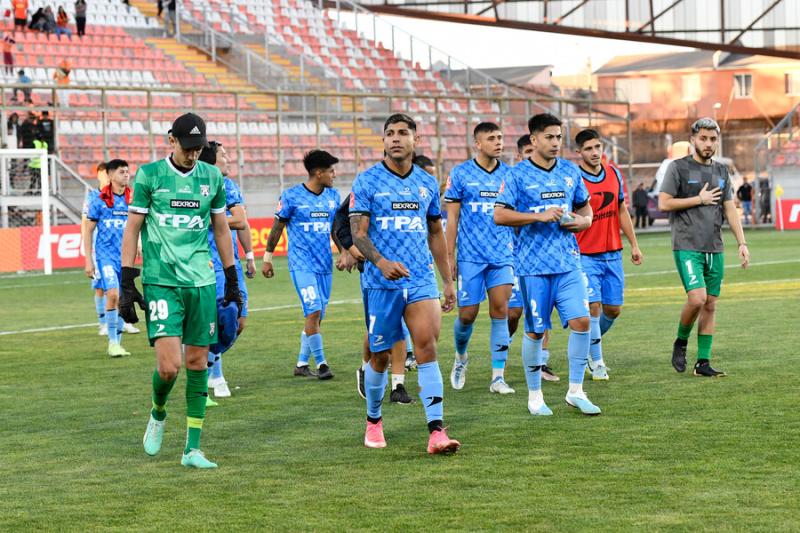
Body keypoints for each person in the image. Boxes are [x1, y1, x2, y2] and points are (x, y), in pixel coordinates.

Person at [120, 113, 242, 469]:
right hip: (161, 281)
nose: (192, 155)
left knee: (197, 362)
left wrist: (231, 278)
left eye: (198, 148)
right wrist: (128, 280)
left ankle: (192, 449)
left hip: (201, 283)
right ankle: (158, 411)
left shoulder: (212, 176)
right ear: (170, 141)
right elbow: (132, 229)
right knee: (171, 367)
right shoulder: (150, 175)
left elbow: (221, 229)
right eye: (187, 148)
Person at [349, 113, 460, 453]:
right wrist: (381, 263)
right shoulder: (366, 181)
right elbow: (358, 233)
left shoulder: (427, 183)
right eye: (390, 134)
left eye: (402, 133)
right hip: (380, 282)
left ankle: (437, 431)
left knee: (426, 347)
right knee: (380, 356)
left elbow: (435, 232)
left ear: (416, 140)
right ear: (383, 141)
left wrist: (448, 280)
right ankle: (373, 421)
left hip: (421, 278)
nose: (395, 138)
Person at [494, 113, 600, 417]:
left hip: (568, 263)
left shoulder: (569, 171)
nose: (556, 143)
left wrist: (585, 220)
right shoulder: (517, 176)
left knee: (582, 322)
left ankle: (576, 391)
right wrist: (537, 216)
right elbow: (499, 215)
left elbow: (584, 205)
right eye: (550, 137)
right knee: (536, 331)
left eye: (559, 137)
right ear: (534, 140)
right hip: (532, 267)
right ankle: (535, 396)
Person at [658, 118, 750, 377]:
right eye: (703, 139)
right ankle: (680, 341)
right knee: (697, 298)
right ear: (693, 140)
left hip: (715, 246)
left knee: (710, 304)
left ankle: (703, 363)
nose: (708, 144)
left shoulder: (721, 171)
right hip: (687, 244)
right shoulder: (678, 168)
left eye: (712, 139)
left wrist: (742, 243)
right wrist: (699, 199)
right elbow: (664, 203)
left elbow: (729, 208)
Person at [444, 122, 515, 394]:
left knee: (500, 311)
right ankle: (461, 357)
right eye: (491, 138)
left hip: (502, 256)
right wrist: (449, 257)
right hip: (470, 258)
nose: (498, 142)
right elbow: (452, 220)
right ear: (477, 143)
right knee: (467, 315)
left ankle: (498, 377)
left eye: (500, 137)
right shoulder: (460, 174)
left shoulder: (509, 175)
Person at [262, 150, 341, 380]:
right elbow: (277, 227)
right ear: (319, 173)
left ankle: (301, 364)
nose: (334, 175)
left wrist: (345, 252)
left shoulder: (333, 197)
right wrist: (267, 258)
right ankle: (323, 364)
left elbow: (335, 229)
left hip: (324, 265)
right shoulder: (291, 196)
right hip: (301, 264)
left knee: (316, 317)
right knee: (313, 309)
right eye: (331, 171)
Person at [332, 191, 415, 405]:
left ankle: (398, 385)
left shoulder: (417, 186)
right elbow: (340, 222)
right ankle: (365, 367)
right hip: (373, 270)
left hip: (407, 268)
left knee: (398, 324)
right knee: (379, 328)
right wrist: (349, 249)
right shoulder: (370, 184)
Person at [574, 129, 643, 380]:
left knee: (613, 310)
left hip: (613, 252)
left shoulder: (613, 173)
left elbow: (621, 209)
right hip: (585, 254)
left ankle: (589, 346)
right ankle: (597, 361)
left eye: (598, 147)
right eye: (589, 148)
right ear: (579, 152)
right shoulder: (573, 178)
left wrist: (634, 244)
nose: (595, 152)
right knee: (592, 307)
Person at [199, 141, 256, 399]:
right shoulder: (198, 187)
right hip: (207, 264)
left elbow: (241, 221)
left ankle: (207, 362)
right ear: (211, 160)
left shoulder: (229, 186)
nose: (229, 158)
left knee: (239, 321)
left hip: (230, 264)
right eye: (224, 155)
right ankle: (216, 375)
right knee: (217, 320)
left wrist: (251, 255)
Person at [513, 133, 559, 382]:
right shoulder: (515, 179)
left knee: (543, 312)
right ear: (521, 155)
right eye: (528, 154)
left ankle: (541, 363)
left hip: (545, 258)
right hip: (515, 257)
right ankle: (503, 350)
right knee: (513, 314)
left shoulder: (550, 179)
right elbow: (503, 216)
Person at [83, 159, 133, 357]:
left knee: (123, 298)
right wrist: (88, 260)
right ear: (111, 176)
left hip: (126, 258)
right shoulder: (99, 199)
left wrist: (138, 243)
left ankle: (117, 344)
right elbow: (88, 231)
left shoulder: (133, 198)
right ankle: (112, 341)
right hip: (106, 256)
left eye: (128, 171)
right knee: (112, 294)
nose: (126, 175)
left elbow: (138, 225)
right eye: (122, 172)